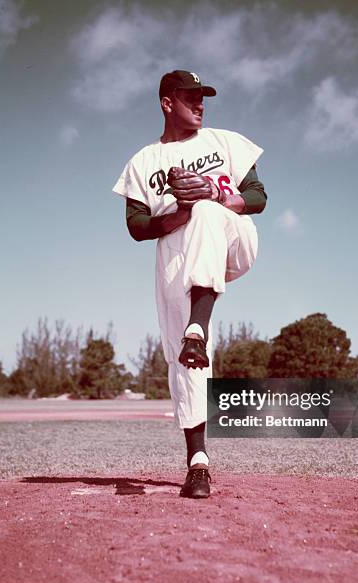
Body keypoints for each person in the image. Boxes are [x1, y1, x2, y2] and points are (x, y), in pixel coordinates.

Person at [112, 70, 267, 498]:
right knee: (184, 364)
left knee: (208, 214)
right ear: (167, 103)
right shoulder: (143, 162)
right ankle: (197, 463)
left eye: (203, 98)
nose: (200, 104)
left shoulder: (225, 141)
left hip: (232, 236)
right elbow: (137, 227)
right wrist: (180, 210)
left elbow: (257, 196)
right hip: (176, 258)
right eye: (190, 97)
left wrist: (210, 199)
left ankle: (197, 328)